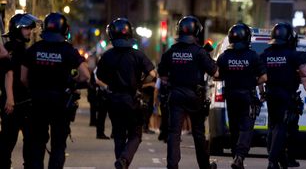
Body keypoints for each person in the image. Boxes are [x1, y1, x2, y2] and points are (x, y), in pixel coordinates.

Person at [21, 12, 90, 169]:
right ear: (64, 30)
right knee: (58, 145)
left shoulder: (34, 49)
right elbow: (86, 75)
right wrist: (74, 82)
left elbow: (23, 78)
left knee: (37, 144)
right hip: (60, 103)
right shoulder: (68, 50)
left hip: (37, 103)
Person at [158, 16, 218, 169]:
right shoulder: (199, 52)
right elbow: (215, 73)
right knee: (198, 133)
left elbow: (163, 76)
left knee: (174, 133)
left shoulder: (170, 52)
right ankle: (204, 166)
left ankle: (172, 165)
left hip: (175, 95)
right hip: (194, 96)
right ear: (196, 31)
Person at [96, 18, 156, 168]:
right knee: (136, 134)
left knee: (119, 135)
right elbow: (153, 74)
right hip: (132, 99)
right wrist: (140, 82)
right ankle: (124, 160)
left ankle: (121, 162)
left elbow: (100, 76)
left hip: (113, 100)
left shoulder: (107, 55)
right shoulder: (138, 55)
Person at [260, 22, 306, 169]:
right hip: (286, 95)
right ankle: (272, 161)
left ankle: (278, 160)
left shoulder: (266, 54)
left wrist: (261, 93)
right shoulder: (293, 54)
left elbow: (259, 77)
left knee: (272, 127)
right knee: (281, 128)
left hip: (271, 94)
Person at [216, 23, 267, 169]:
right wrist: (251, 82)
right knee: (246, 128)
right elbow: (264, 77)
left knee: (234, 128)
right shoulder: (253, 56)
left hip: (231, 96)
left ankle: (236, 157)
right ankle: (239, 157)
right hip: (248, 96)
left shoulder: (224, 56)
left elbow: (217, 76)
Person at [0, 13, 39, 169]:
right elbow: (10, 74)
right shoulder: (19, 51)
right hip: (17, 103)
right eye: (26, 28)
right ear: (17, 29)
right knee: (24, 140)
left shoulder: (9, 49)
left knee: (8, 141)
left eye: (30, 28)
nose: (29, 31)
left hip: (12, 102)